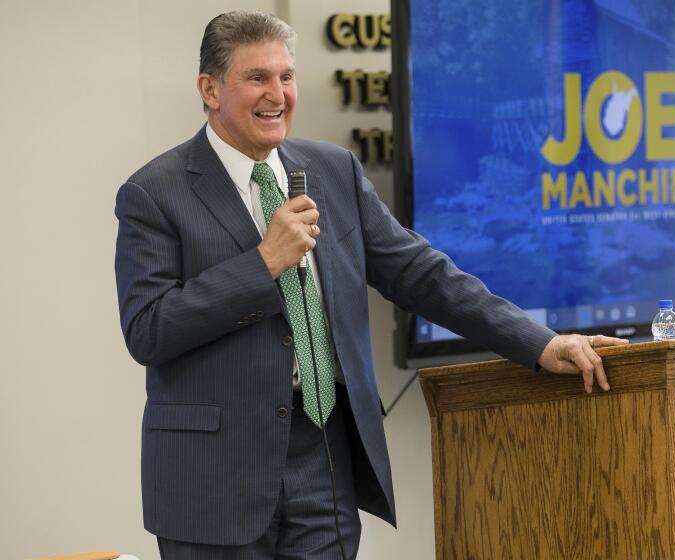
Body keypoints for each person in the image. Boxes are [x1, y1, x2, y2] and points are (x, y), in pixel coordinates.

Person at [114, 10, 628, 559]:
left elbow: (422, 275)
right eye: (257, 78)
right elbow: (148, 330)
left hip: (325, 457)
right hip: (214, 477)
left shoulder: (333, 170)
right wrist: (264, 264)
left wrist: (541, 342)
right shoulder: (154, 192)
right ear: (210, 88)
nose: (278, 94)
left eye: (286, 77)